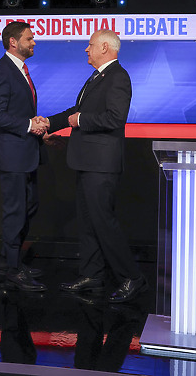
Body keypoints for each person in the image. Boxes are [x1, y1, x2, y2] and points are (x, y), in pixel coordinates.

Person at [45, 29, 147, 303]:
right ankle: (92, 274)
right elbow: (74, 112)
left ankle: (132, 278)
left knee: (104, 222)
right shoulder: (98, 77)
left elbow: (114, 118)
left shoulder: (118, 77)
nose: (86, 50)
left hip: (101, 165)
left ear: (105, 47)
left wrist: (81, 121)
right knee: (89, 221)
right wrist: (48, 123)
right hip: (87, 162)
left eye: (90, 45)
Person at [0, 21, 48, 292]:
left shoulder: (19, 70)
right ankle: (12, 270)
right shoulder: (1, 72)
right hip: (11, 156)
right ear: (13, 42)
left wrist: (39, 131)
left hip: (26, 153)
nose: (33, 43)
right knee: (16, 212)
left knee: (28, 207)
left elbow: (19, 109)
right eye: (29, 39)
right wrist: (29, 125)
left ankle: (11, 261)